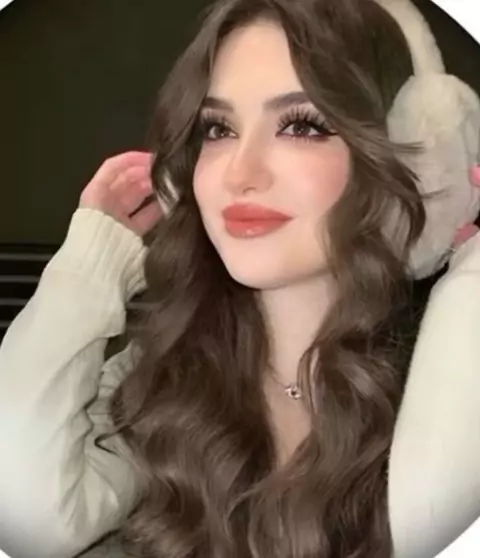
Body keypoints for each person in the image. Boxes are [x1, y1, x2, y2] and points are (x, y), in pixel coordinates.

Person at [0, 0, 480, 557]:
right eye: (218, 129)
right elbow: (22, 512)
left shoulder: (442, 384)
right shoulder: (160, 378)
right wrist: (89, 264)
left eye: (301, 125)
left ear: (413, 163)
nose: (239, 173)